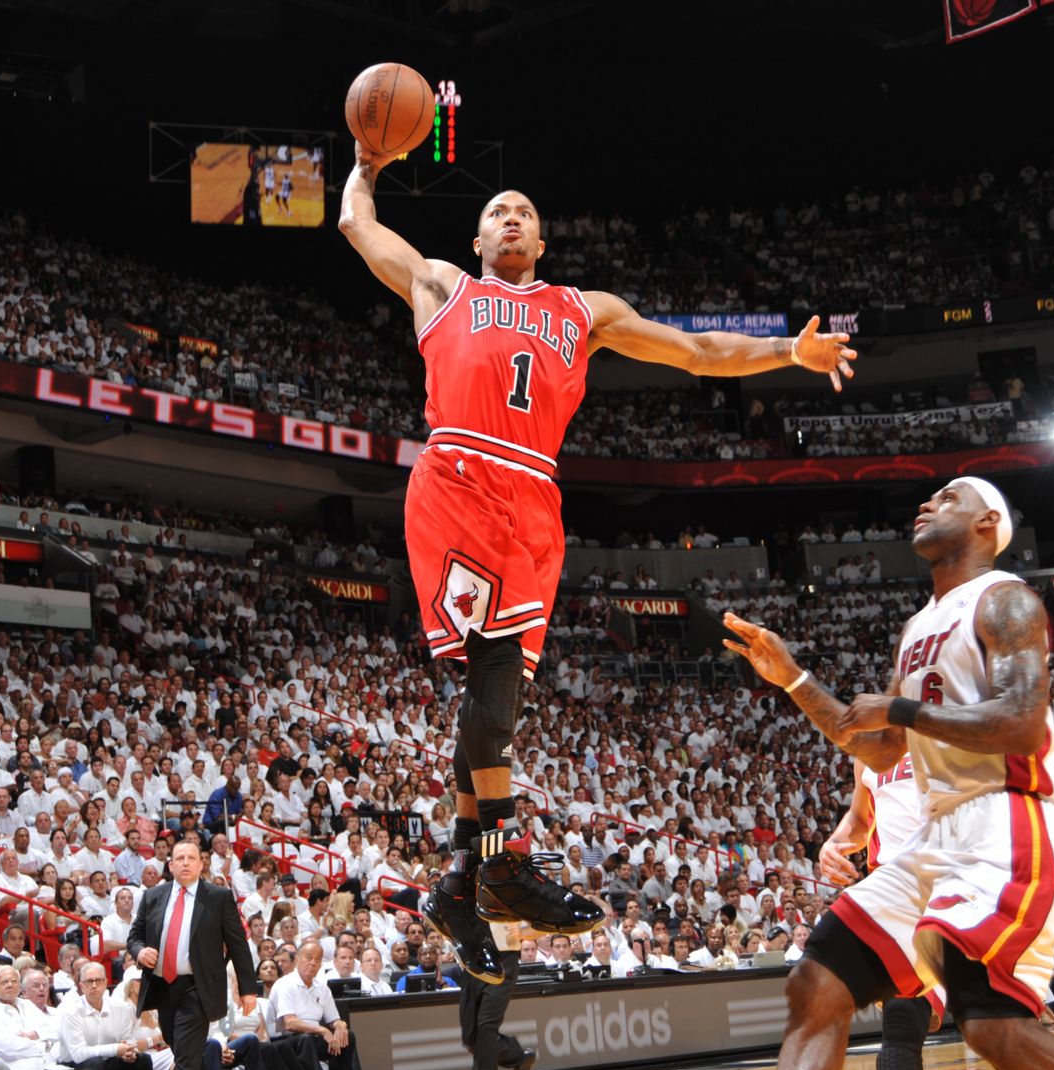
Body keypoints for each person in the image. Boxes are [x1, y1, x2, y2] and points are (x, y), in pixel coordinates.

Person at [339, 137, 856, 984]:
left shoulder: (586, 311)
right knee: (491, 680)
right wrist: (366, 163)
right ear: (477, 239)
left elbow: (696, 351)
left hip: (534, 500)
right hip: (461, 477)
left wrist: (787, 354)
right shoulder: (442, 285)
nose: (511, 218)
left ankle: (463, 883)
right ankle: (502, 863)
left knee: (496, 690)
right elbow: (357, 225)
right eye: (497, 211)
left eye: (525, 213)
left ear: (542, 243)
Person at [723, 477, 1054, 1070]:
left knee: (992, 1027)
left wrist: (902, 709)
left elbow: (1020, 725)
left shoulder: (1005, 600)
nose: (928, 504)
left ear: (988, 523)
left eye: (949, 498)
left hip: (1007, 823)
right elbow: (880, 750)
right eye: (931, 498)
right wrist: (794, 679)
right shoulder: (916, 629)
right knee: (816, 984)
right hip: (935, 835)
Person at [817, 751, 940, 1070]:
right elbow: (860, 820)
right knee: (901, 1022)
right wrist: (834, 844)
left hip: (959, 880)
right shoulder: (868, 753)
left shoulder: (947, 731)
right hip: (899, 893)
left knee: (999, 1032)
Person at [124, 841, 257, 1070]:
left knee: (186, 1058)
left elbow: (238, 945)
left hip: (198, 987)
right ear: (171, 865)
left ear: (200, 864)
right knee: (185, 1053)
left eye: (191, 858)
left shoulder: (219, 897)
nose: (185, 863)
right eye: (180, 858)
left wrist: (248, 990)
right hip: (162, 986)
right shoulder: (153, 896)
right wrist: (140, 952)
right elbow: (134, 937)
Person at [458, 921, 537, 1070]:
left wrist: (523, 929)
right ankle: (519, 1058)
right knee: (470, 1037)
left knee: (486, 1026)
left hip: (503, 958)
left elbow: (540, 921)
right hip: (473, 959)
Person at [58, 963, 150, 1070]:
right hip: (74, 1065)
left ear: (106, 983)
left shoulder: (121, 1008)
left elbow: (128, 1040)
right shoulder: (71, 1012)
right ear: (81, 986)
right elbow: (78, 1054)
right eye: (89, 981)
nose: (94, 986)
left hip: (108, 1061)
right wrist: (115, 1049)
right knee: (97, 1063)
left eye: (98, 981)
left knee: (143, 1060)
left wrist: (128, 1051)